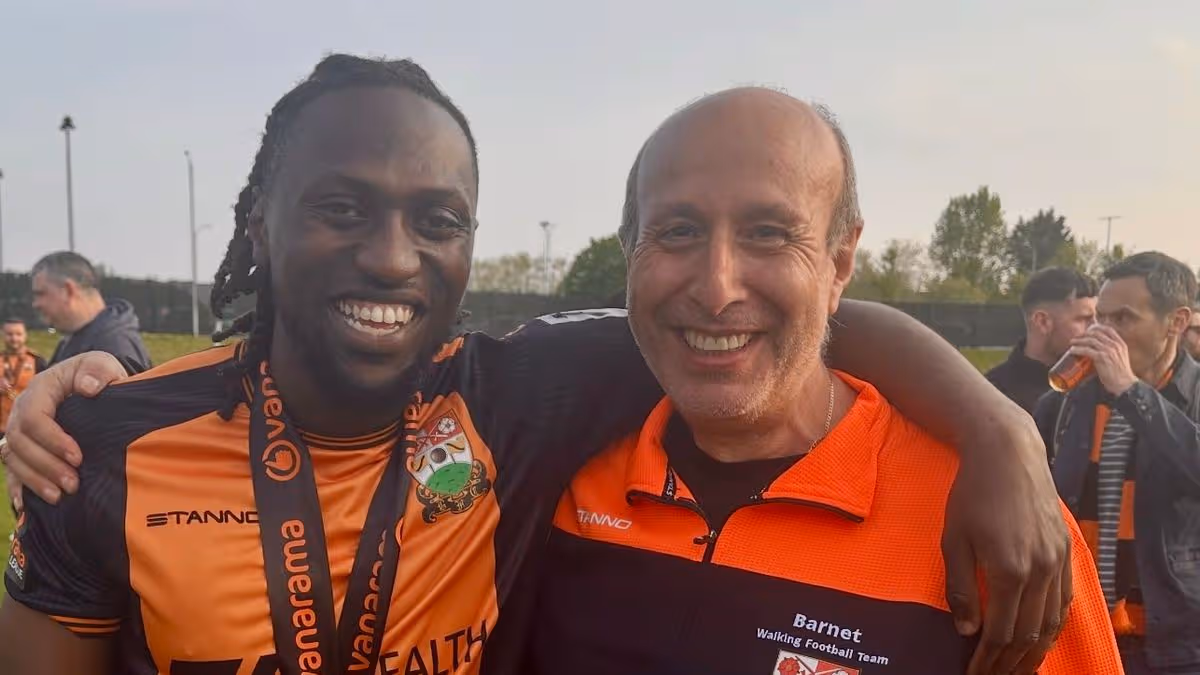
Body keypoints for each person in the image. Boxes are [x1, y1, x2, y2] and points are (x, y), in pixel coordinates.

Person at [0, 55, 1071, 675]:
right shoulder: (103, 444)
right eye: (342, 209)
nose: (392, 257)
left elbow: (781, 321)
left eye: (438, 220)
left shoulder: (524, 396)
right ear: (257, 225)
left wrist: (998, 429)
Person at [530, 88, 1121, 675]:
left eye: (768, 233)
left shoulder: (992, 525)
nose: (716, 290)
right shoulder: (552, 462)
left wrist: (1001, 431)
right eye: (679, 231)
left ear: (839, 263)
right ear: (630, 252)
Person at [1033, 251, 1200, 674]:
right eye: (1099, 318)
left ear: (1177, 322)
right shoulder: (1065, 403)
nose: (1104, 333)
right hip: (1077, 632)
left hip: (1173, 644)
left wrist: (1131, 390)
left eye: (1123, 319)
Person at [986, 267, 1097, 415]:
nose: (1095, 328)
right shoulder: (992, 395)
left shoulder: (1101, 384)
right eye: (1083, 319)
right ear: (1042, 322)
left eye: (1098, 318)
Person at [31, 252, 151, 372]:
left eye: (41, 294)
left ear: (68, 290)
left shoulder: (112, 349)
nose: (36, 304)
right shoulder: (80, 338)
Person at [1, 319, 46, 436]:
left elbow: (47, 395)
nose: (14, 338)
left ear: (25, 335)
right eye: (9, 334)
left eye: (18, 334)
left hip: (26, 429)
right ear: (3, 335)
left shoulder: (37, 361)